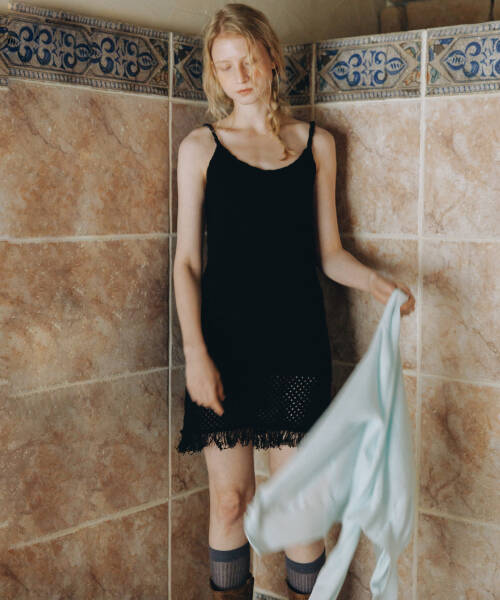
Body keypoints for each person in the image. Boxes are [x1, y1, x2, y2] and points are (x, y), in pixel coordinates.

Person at [173, 4, 415, 599]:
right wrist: (196, 354)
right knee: (230, 501)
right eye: (225, 65)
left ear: (272, 56)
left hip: (296, 346)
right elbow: (186, 263)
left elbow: (329, 254)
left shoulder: (316, 145)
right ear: (214, 73)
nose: (239, 75)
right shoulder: (200, 148)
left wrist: (375, 283)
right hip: (222, 346)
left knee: (300, 510)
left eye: (248, 60)